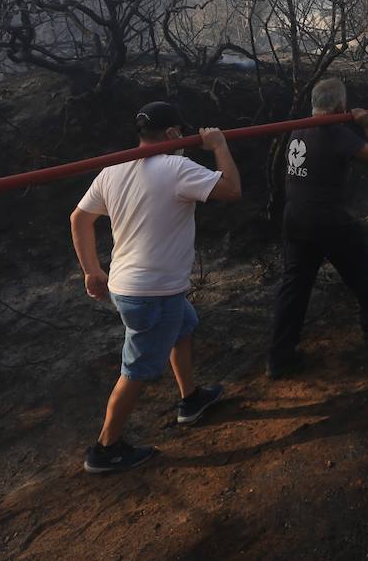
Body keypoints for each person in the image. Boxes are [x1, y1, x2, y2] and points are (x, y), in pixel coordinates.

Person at [70, 101, 243, 474]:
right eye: (180, 134)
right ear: (170, 135)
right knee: (136, 370)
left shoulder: (114, 168)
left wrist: (91, 270)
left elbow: (79, 218)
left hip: (131, 286)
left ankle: (190, 399)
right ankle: (106, 449)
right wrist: (218, 146)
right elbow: (231, 190)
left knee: (184, 326)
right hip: (153, 294)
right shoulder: (176, 167)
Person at [268, 78, 368, 378]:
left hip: (294, 215)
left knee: (295, 286)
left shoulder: (299, 127)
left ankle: (280, 356)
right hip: (326, 218)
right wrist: (365, 124)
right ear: (340, 106)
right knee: (363, 263)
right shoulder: (334, 131)